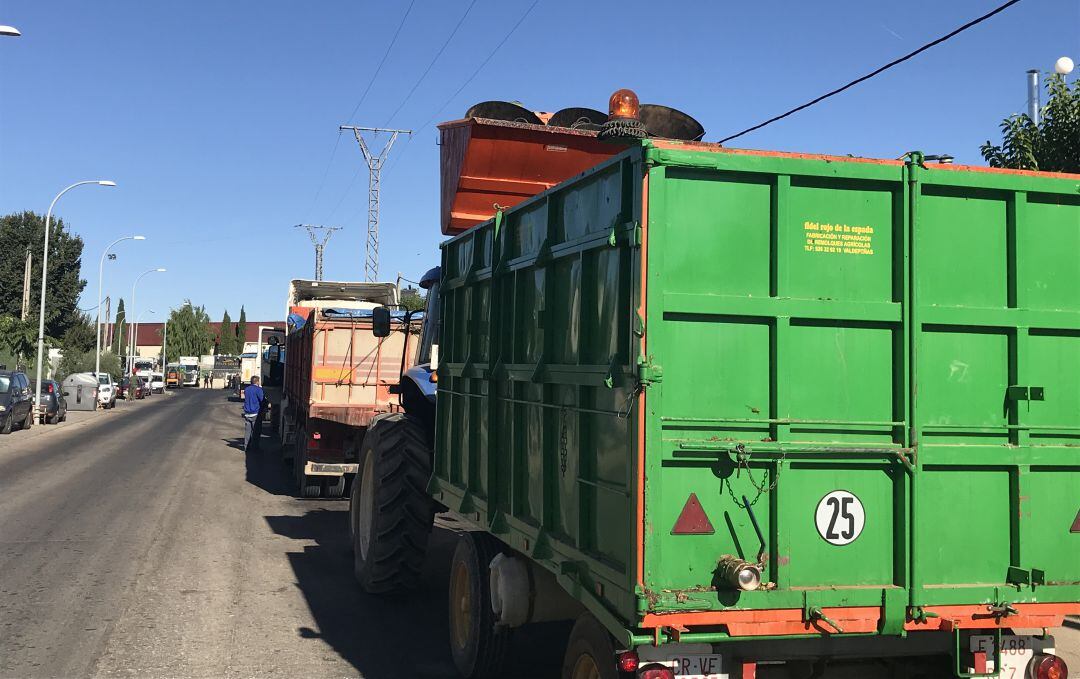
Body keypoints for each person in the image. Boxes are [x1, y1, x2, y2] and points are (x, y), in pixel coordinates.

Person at [242, 376, 265, 451]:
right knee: (256, 432)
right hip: (255, 413)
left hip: (247, 413)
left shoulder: (247, 389)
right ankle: (255, 448)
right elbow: (262, 400)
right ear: (257, 382)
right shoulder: (258, 390)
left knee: (247, 432)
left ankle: (246, 447)